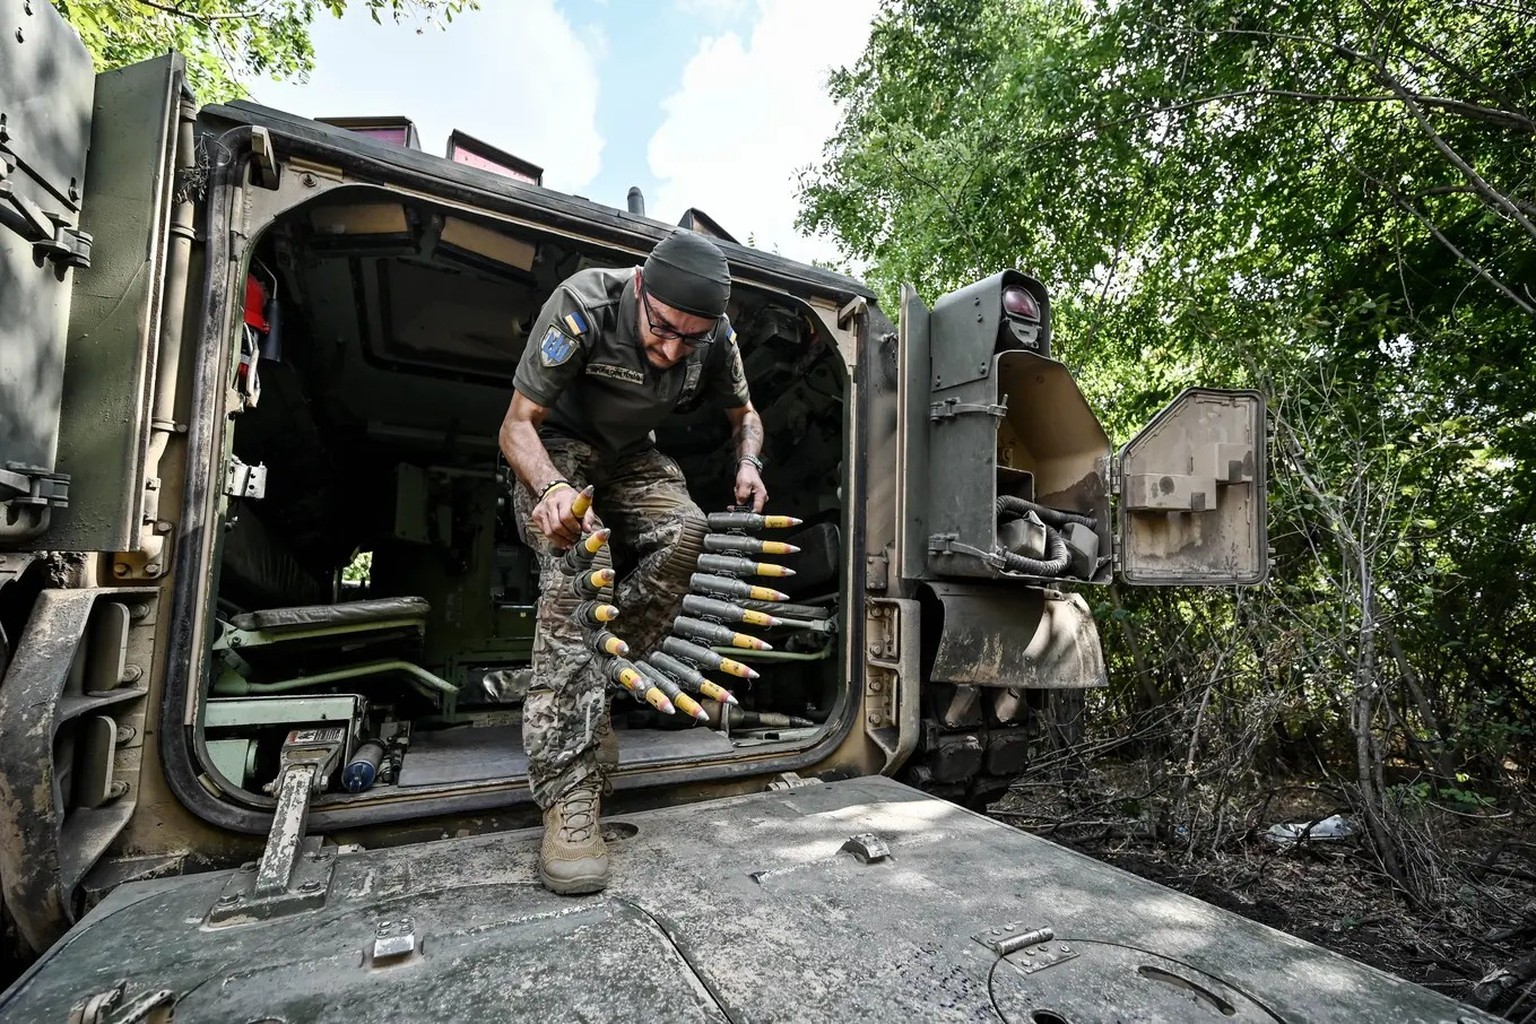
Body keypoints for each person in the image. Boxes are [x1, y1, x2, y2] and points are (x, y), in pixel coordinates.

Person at [498, 228, 767, 895]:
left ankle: (601, 679)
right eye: (663, 329)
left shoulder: (715, 337)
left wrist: (749, 462)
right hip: (556, 448)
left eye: (690, 338)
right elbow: (516, 426)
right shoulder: (585, 303)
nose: (673, 348)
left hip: (631, 456)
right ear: (640, 288)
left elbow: (745, 415)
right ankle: (569, 794)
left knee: (688, 530)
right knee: (574, 570)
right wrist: (553, 490)